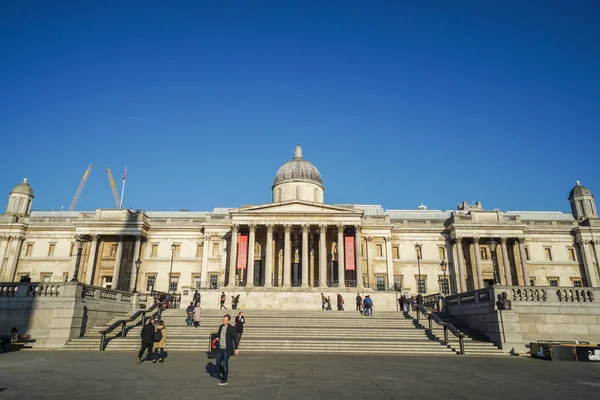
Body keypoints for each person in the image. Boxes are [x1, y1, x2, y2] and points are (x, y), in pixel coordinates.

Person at [214, 314, 239, 386]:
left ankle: (225, 379)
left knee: (225, 364)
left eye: (225, 320)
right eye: (223, 320)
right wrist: (217, 337)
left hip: (226, 349)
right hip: (220, 348)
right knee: (217, 363)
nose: (224, 321)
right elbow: (218, 334)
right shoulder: (221, 326)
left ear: (228, 321)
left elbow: (235, 338)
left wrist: (236, 348)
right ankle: (224, 372)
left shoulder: (231, 328)